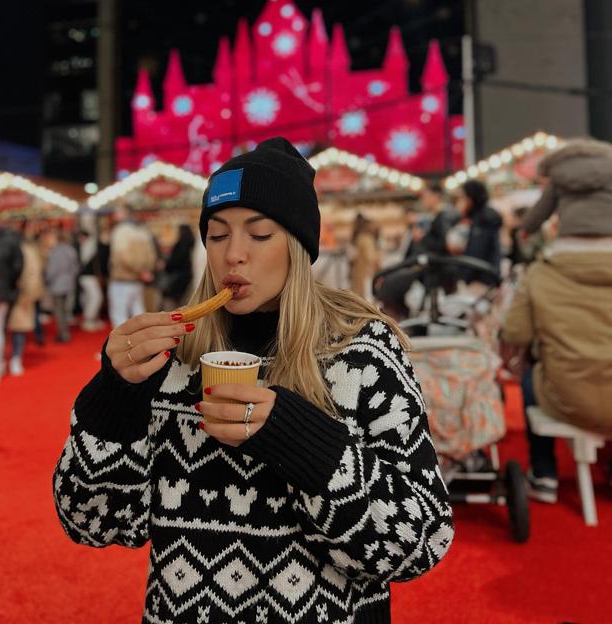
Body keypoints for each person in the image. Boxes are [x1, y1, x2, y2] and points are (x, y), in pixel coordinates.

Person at [53, 137, 453, 624]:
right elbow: (95, 522)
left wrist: (303, 441)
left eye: (259, 235)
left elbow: (419, 543)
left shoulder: (361, 357)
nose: (233, 255)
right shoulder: (173, 359)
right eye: (217, 236)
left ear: (299, 246)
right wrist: (115, 396)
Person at [501, 234, 612, 503]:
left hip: (568, 393)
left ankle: (544, 474)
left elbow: (515, 334)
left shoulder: (541, 273)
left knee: (531, 379)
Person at [522, 138, 612, 238]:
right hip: (608, 239)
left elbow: (538, 213)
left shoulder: (557, 177)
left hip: (570, 240)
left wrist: (526, 229)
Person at [0, 206, 23, 380]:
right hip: (1, 291)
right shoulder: (9, 239)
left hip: (0, 290)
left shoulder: (9, 239)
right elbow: (18, 266)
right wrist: (9, 283)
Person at [108, 204, 158, 326]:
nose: (115, 214)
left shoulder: (120, 231)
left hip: (123, 279)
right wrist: (146, 271)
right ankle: (142, 342)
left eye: (118, 211)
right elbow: (152, 255)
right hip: (138, 280)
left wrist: (138, 271)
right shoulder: (142, 230)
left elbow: (122, 256)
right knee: (138, 312)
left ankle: (124, 344)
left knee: (119, 314)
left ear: (125, 213)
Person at [447, 179, 503, 287]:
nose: (459, 201)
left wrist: (462, 278)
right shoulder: (471, 219)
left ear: (470, 199)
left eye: (462, 197)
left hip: (481, 281)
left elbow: (475, 253)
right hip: (476, 278)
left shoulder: (483, 221)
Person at [7, 220, 45, 375]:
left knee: (11, 329)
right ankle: (14, 358)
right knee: (16, 330)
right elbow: (34, 273)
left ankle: (11, 358)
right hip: (15, 292)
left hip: (13, 293)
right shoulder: (28, 249)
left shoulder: (26, 249)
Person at [44, 228, 79, 343]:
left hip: (57, 285)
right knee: (65, 309)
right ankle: (64, 331)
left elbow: (52, 270)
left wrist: (47, 280)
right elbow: (75, 268)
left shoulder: (55, 252)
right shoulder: (71, 250)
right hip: (68, 284)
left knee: (58, 310)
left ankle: (63, 333)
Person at [160, 223, 195, 310]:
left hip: (178, 277)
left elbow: (175, 261)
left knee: (172, 301)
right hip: (188, 275)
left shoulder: (181, 244)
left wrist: (165, 266)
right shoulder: (193, 243)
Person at [78, 229, 106, 332]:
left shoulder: (87, 246)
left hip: (88, 276)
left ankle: (92, 319)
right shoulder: (87, 246)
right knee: (96, 298)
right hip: (87, 276)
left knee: (90, 298)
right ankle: (88, 320)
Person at [349, 213, 380, 300]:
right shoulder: (365, 237)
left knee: (366, 295)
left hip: (366, 273)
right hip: (363, 273)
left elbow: (370, 257)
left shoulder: (364, 238)